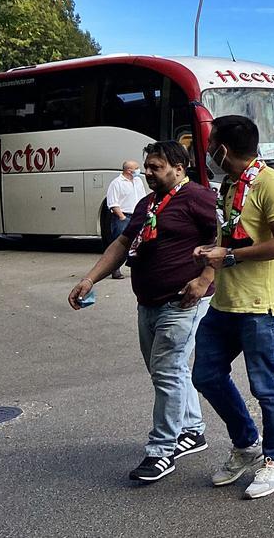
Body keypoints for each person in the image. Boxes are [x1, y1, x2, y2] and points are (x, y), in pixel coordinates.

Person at [68, 141, 215, 482]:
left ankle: (162, 451)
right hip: (148, 303)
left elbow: (224, 237)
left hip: (182, 302)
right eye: (147, 166)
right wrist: (90, 279)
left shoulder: (198, 198)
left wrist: (205, 277)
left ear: (180, 168)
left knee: (166, 371)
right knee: (165, 370)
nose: (147, 173)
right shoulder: (148, 203)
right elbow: (122, 243)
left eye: (156, 167)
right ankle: (192, 429)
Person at [190, 115, 274, 500]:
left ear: (222, 148)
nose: (206, 152)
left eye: (210, 144)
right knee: (205, 374)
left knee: (266, 386)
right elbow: (225, 235)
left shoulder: (272, 183)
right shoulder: (231, 184)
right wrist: (206, 275)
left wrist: (230, 256)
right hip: (225, 303)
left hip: (261, 306)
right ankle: (246, 442)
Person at [105, 160, 148, 279]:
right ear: (129, 170)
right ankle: (115, 269)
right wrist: (122, 217)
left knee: (139, 243)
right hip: (123, 217)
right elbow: (113, 203)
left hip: (137, 216)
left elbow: (143, 198)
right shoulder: (117, 183)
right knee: (119, 244)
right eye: (137, 168)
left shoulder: (138, 181)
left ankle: (138, 267)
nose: (139, 170)